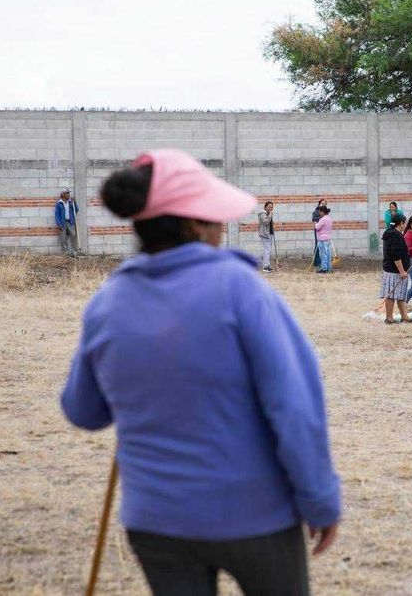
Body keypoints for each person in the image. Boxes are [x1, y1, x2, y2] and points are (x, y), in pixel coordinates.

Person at [60, 149, 341, 596]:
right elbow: (294, 405)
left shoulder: (108, 301)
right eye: (215, 216)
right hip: (255, 517)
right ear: (195, 224)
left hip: (155, 522)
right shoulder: (241, 288)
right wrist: (320, 499)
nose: (222, 226)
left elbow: (83, 411)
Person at [380, 212, 412, 324]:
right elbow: (396, 255)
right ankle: (389, 318)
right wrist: (402, 271)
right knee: (391, 295)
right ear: (401, 223)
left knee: (400, 295)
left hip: (391, 270)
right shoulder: (396, 236)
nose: (406, 225)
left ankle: (405, 317)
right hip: (395, 271)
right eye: (405, 223)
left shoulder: (389, 233)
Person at [54, 189, 80, 255]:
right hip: (62, 223)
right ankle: (65, 252)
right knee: (63, 237)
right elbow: (57, 215)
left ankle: (74, 251)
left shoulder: (71, 202)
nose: (69, 195)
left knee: (73, 235)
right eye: (67, 193)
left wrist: (75, 203)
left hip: (70, 222)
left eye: (69, 193)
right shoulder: (59, 203)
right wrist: (59, 224)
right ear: (63, 195)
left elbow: (76, 210)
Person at [315, 206, 333, 273]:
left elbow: (317, 227)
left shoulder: (323, 219)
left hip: (322, 239)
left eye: (320, 212)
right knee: (327, 254)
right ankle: (328, 268)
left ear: (322, 212)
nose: (319, 213)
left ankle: (324, 269)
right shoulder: (330, 218)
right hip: (328, 238)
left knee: (323, 254)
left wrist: (315, 223)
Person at [257, 201, 275, 272]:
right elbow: (265, 222)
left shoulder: (268, 213)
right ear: (265, 207)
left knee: (268, 250)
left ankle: (267, 265)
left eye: (271, 207)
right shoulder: (262, 214)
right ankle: (265, 267)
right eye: (269, 207)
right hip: (265, 234)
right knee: (267, 250)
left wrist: (272, 223)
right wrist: (270, 215)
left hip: (269, 234)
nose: (270, 208)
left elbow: (269, 222)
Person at [312, 198, 326, 269]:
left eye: (324, 204)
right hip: (318, 231)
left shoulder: (325, 213)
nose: (323, 205)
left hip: (323, 232)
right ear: (319, 204)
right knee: (318, 245)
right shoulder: (316, 212)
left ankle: (319, 261)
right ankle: (317, 262)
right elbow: (315, 220)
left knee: (321, 246)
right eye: (322, 203)